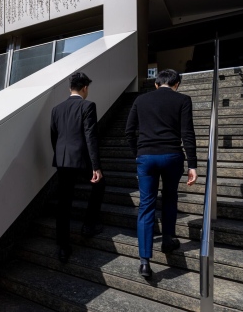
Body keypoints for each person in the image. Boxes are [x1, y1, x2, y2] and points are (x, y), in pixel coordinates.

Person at [124, 69, 198, 278]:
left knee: (146, 205)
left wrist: (137, 153)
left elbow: (129, 131)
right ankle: (167, 240)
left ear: (156, 84)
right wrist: (192, 164)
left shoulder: (141, 100)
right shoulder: (183, 100)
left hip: (146, 157)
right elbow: (187, 133)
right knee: (170, 198)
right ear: (177, 84)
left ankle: (145, 261)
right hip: (172, 156)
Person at [51, 72, 106, 263]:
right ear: (84, 88)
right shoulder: (87, 105)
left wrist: (60, 156)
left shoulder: (56, 109)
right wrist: (96, 166)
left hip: (62, 160)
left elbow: (54, 136)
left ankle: (63, 247)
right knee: (99, 185)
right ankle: (89, 225)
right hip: (81, 159)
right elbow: (91, 136)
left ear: (70, 88)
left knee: (64, 203)